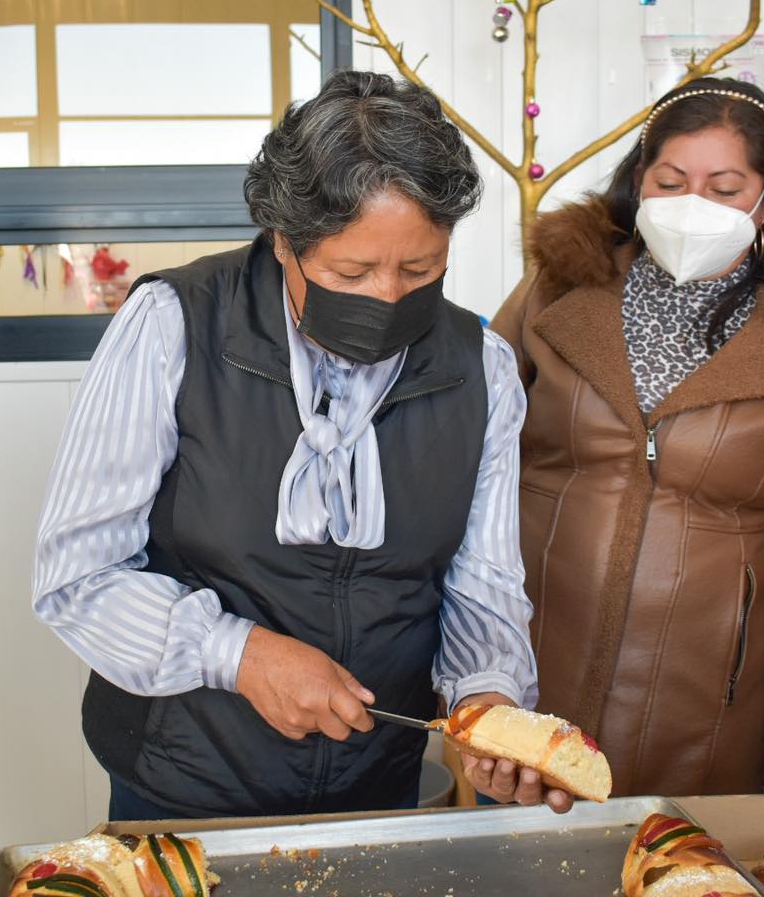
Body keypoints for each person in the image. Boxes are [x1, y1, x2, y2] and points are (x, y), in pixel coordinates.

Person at [34, 70, 569, 819]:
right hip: (181, 782)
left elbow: (483, 584)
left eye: (421, 269)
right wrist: (240, 655)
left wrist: (489, 700)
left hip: (377, 782)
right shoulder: (173, 326)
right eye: (352, 270)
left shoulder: (480, 368)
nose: (388, 295)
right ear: (284, 240)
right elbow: (78, 575)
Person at [490, 79, 764, 797]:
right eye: (670, 183)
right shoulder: (555, 294)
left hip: (706, 699)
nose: (691, 207)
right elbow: (462, 455)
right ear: (639, 180)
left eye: (724, 188)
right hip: (527, 664)